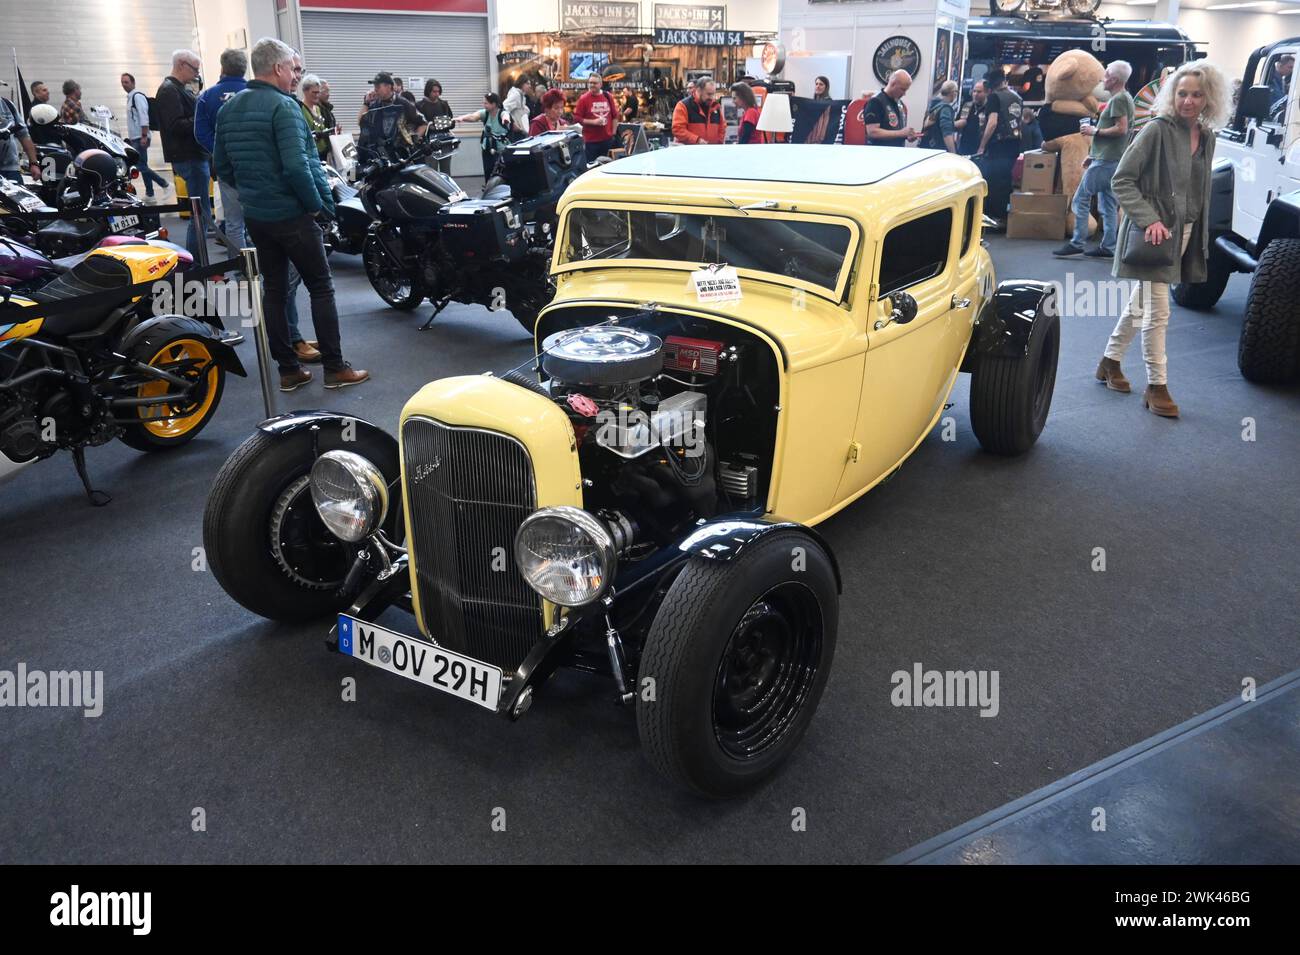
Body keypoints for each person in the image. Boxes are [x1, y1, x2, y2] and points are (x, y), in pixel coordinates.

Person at [213, 37, 368, 391]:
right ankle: (334, 368)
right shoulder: (285, 108)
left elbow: (222, 166)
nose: (296, 75)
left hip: (257, 216)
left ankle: (288, 371)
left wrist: (254, 192)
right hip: (293, 215)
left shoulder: (229, 109)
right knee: (321, 287)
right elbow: (299, 166)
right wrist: (317, 207)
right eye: (293, 69)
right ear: (278, 68)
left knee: (275, 290)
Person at [1097, 61, 1227, 419]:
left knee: (1141, 304)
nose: (1188, 101)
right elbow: (1121, 179)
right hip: (1153, 234)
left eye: (1197, 94)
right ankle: (1157, 386)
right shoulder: (1156, 130)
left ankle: (1109, 362)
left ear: (1209, 98)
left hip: (1184, 235)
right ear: (1173, 95)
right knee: (1159, 312)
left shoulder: (1207, 137)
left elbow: (1197, 193)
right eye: (1182, 93)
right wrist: (1149, 219)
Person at [1056, 60, 1134, 259]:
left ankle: (1077, 242)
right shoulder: (1125, 98)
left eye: (1106, 75)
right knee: (1107, 204)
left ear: (1115, 79)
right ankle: (1108, 246)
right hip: (1110, 159)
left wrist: (1094, 131)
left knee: (1080, 199)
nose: (1103, 79)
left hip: (1106, 161)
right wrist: (1092, 155)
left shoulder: (1118, 100)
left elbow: (1121, 128)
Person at [193, 49, 248, 251]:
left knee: (234, 223)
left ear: (222, 68)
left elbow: (200, 133)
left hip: (226, 167)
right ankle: (265, 269)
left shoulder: (207, 97)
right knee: (262, 221)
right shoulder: (258, 93)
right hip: (259, 166)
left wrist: (219, 151)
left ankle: (241, 273)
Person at [156, 50, 209, 260]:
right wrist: (200, 118)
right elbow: (175, 126)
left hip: (192, 156)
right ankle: (195, 263)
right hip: (189, 156)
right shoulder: (169, 90)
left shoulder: (175, 89)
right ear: (181, 65)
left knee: (200, 214)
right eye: (195, 69)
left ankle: (196, 262)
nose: (197, 74)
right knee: (200, 215)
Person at [974, 68, 1023, 222]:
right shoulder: (1017, 97)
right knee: (1005, 179)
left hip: (999, 144)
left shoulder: (995, 97)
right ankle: (1005, 215)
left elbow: (992, 123)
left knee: (993, 181)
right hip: (1014, 143)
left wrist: (982, 145)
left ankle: (994, 217)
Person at [358, 72, 427, 163]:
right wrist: (366, 103)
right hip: (381, 156)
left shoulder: (403, 103)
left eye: (378, 87)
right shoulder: (375, 105)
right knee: (353, 173)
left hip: (401, 156)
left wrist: (415, 138)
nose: (375, 90)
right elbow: (361, 123)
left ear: (389, 87)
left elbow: (423, 123)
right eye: (374, 87)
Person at [120, 72, 169, 199]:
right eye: (122, 82)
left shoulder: (137, 97)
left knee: (139, 165)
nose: (124, 85)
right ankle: (150, 193)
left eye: (126, 82)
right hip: (136, 137)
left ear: (133, 83)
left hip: (141, 137)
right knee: (143, 165)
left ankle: (165, 184)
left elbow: (143, 116)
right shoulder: (130, 98)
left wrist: (144, 135)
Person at [454, 93, 514, 178]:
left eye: (486, 103)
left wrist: (506, 119)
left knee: (502, 174)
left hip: (501, 151)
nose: (484, 105)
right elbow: (473, 116)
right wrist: (461, 118)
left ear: (494, 104)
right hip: (487, 149)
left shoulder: (501, 113)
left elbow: (505, 115)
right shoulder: (485, 113)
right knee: (488, 172)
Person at [864, 70, 917, 146]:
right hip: (879, 154)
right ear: (893, 84)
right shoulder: (876, 102)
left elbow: (896, 131)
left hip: (897, 153)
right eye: (902, 89)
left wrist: (907, 135)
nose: (904, 93)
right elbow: (872, 132)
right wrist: (901, 133)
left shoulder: (900, 104)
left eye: (906, 90)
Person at [575, 73, 619, 159]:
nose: (592, 85)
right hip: (591, 142)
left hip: (607, 140)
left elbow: (615, 116)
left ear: (600, 84)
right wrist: (593, 122)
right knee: (592, 167)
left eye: (594, 83)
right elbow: (577, 119)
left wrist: (613, 133)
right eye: (590, 83)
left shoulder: (608, 96)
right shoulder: (583, 99)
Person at [672, 77, 724, 145]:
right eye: (708, 94)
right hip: (688, 152)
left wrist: (718, 143)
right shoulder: (683, 106)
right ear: (699, 90)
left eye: (713, 94)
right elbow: (678, 129)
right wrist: (697, 140)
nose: (711, 97)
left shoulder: (716, 106)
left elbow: (722, 128)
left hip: (711, 152)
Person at [0, 95, 41, 184]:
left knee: (17, 196)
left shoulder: (7, 105)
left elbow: (24, 135)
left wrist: (33, 163)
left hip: (11, 169)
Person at [299, 74, 333, 161]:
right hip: (311, 154)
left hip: (323, 153)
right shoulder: (300, 109)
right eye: (314, 92)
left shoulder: (318, 108)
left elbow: (321, 127)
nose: (317, 95)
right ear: (305, 91)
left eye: (318, 92)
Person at [919, 80, 959, 152]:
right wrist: (953, 153)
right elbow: (947, 133)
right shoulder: (945, 109)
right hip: (939, 150)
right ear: (953, 93)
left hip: (926, 148)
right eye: (956, 92)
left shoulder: (932, 105)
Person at [955, 81, 988, 156]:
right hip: (964, 147)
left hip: (981, 148)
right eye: (974, 91)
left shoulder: (990, 108)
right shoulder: (966, 105)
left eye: (979, 92)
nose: (975, 94)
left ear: (986, 93)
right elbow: (957, 124)